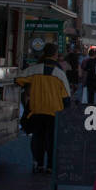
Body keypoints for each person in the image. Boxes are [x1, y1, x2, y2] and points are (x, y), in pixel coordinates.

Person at [16, 43, 71, 174]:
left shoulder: (34, 70)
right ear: (55, 55)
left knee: (38, 137)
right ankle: (50, 166)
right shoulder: (60, 74)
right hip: (54, 111)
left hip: (37, 109)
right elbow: (66, 97)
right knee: (52, 139)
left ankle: (38, 163)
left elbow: (18, 80)